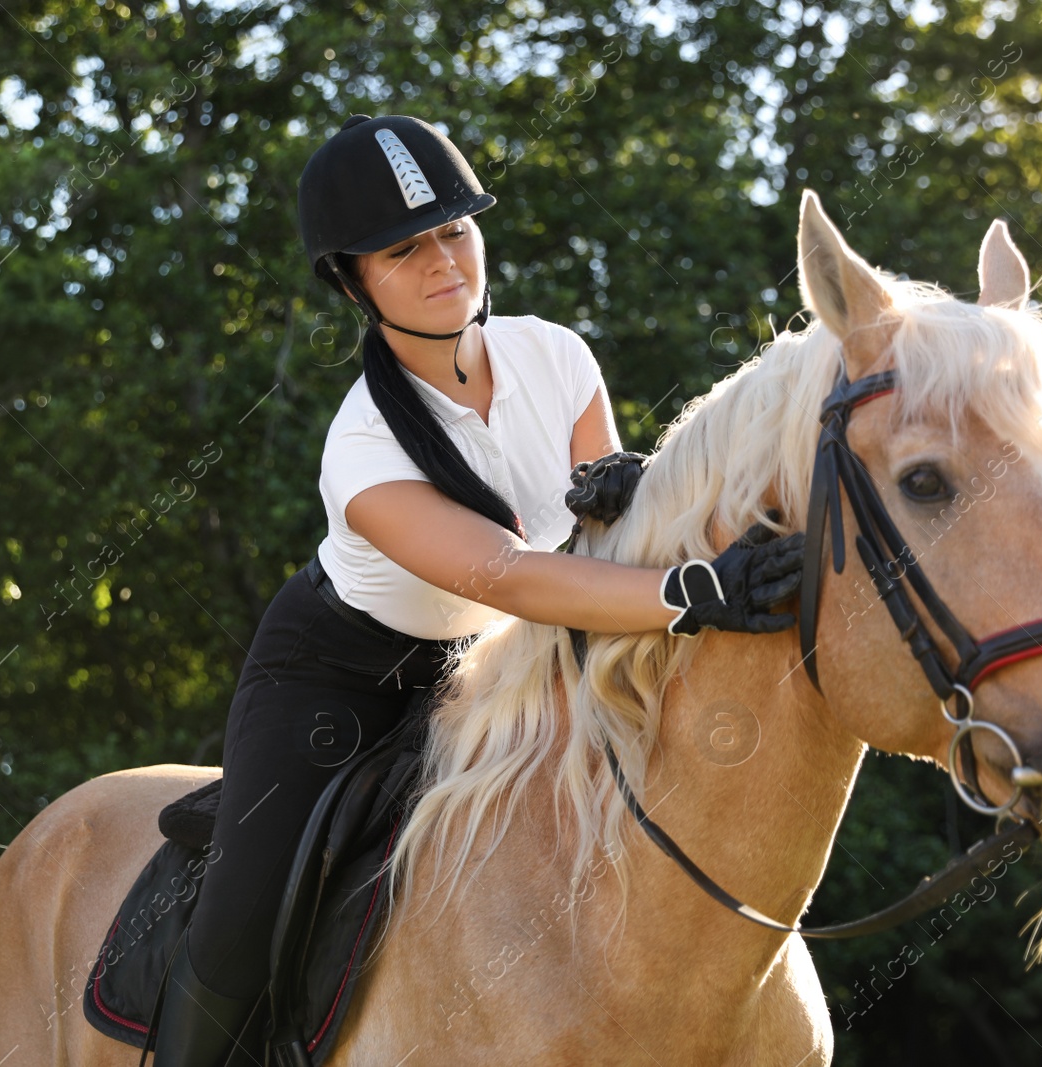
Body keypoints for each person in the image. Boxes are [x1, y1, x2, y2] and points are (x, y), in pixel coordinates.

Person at [150, 114, 804, 1066]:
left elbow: (599, 546)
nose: (444, 262)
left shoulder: (557, 356)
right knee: (241, 917)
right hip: (341, 677)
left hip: (508, 663)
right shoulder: (363, 452)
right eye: (403, 248)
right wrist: (694, 588)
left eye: (455, 230)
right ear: (350, 280)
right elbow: (512, 575)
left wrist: (631, 497)